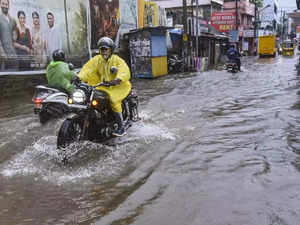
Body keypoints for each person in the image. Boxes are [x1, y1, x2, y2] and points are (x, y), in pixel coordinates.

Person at [76, 37, 131, 137]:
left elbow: (124, 70)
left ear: (111, 50)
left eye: (106, 49)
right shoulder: (97, 60)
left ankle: (121, 127)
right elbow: (87, 69)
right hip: (103, 85)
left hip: (118, 86)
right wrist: (78, 77)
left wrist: (118, 79)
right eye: (102, 49)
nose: (104, 51)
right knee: (89, 97)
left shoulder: (117, 60)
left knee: (114, 100)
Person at [0, 0, 17, 69]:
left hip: (13, 52)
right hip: (3, 53)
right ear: (0, 5)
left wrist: (15, 34)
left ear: (8, 6)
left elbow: (15, 35)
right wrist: (1, 52)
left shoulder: (12, 20)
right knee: (5, 75)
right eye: (3, 4)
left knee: (15, 73)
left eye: (6, 4)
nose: (4, 6)